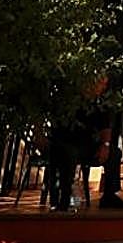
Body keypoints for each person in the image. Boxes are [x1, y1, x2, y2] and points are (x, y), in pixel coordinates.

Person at [46, 76, 114, 211]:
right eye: (101, 83)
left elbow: (105, 127)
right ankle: (64, 199)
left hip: (87, 146)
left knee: (115, 153)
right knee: (69, 153)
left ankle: (109, 196)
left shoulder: (99, 104)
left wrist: (105, 145)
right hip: (66, 144)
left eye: (105, 84)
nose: (103, 87)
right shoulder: (71, 101)